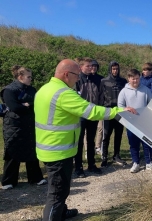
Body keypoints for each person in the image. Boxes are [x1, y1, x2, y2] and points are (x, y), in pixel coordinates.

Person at [34, 59, 125, 221]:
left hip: (50, 148)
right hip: (58, 152)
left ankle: (61, 212)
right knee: (56, 193)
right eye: (77, 75)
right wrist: (119, 111)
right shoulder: (63, 93)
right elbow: (91, 111)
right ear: (66, 74)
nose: (78, 79)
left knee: (59, 188)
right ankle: (54, 216)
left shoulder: (45, 88)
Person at [1, 66, 47, 190]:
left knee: (31, 150)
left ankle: (35, 178)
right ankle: (8, 181)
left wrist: (28, 105)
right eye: (29, 77)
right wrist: (26, 107)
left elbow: (39, 104)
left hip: (30, 123)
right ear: (20, 77)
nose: (31, 79)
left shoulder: (32, 90)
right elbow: (14, 107)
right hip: (13, 125)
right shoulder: (9, 90)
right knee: (13, 151)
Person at [118, 69, 152, 173]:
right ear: (129, 79)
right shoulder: (124, 91)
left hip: (144, 122)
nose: (135, 81)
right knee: (133, 143)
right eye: (133, 79)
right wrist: (126, 110)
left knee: (147, 143)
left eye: (137, 78)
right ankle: (136, 163)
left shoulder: (145, 89)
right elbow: (120, 106)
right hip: (131, 122)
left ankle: (149, 163)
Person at [74, 57, 103, 177]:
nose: (91, 68)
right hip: (80, 115)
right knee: (79, 141)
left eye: (92, 66)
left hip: (93, 114)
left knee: (91, 140)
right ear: (81, 67)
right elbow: (75, 98)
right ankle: (78, 167)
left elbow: (100, 95)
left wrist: (98, 108)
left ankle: (92, 164)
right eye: (88, 66)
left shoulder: (97, 79)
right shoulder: (76, 80)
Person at [99, 61, 127, 167]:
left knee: (118, 134)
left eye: (116, 69)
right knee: (106, 135)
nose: (115, 71)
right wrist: (102, 110)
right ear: (110, 69)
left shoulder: (123, 81)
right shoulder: (104, 81)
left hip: (120, 112)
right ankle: (104, 157)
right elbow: (101, 96)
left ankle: (116, 155)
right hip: (108, 112)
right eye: (113, 69)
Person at [83, 60, 104, 157]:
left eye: (96, 66)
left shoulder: (100, 79)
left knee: (99, 128)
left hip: (97, 108)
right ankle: (87, 150)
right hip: (85, 110)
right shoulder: (83, 79)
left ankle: (97, 147)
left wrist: (100, 106)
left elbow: (101, 94)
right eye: (92, 66)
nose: (93, 68)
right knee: (86, 132)